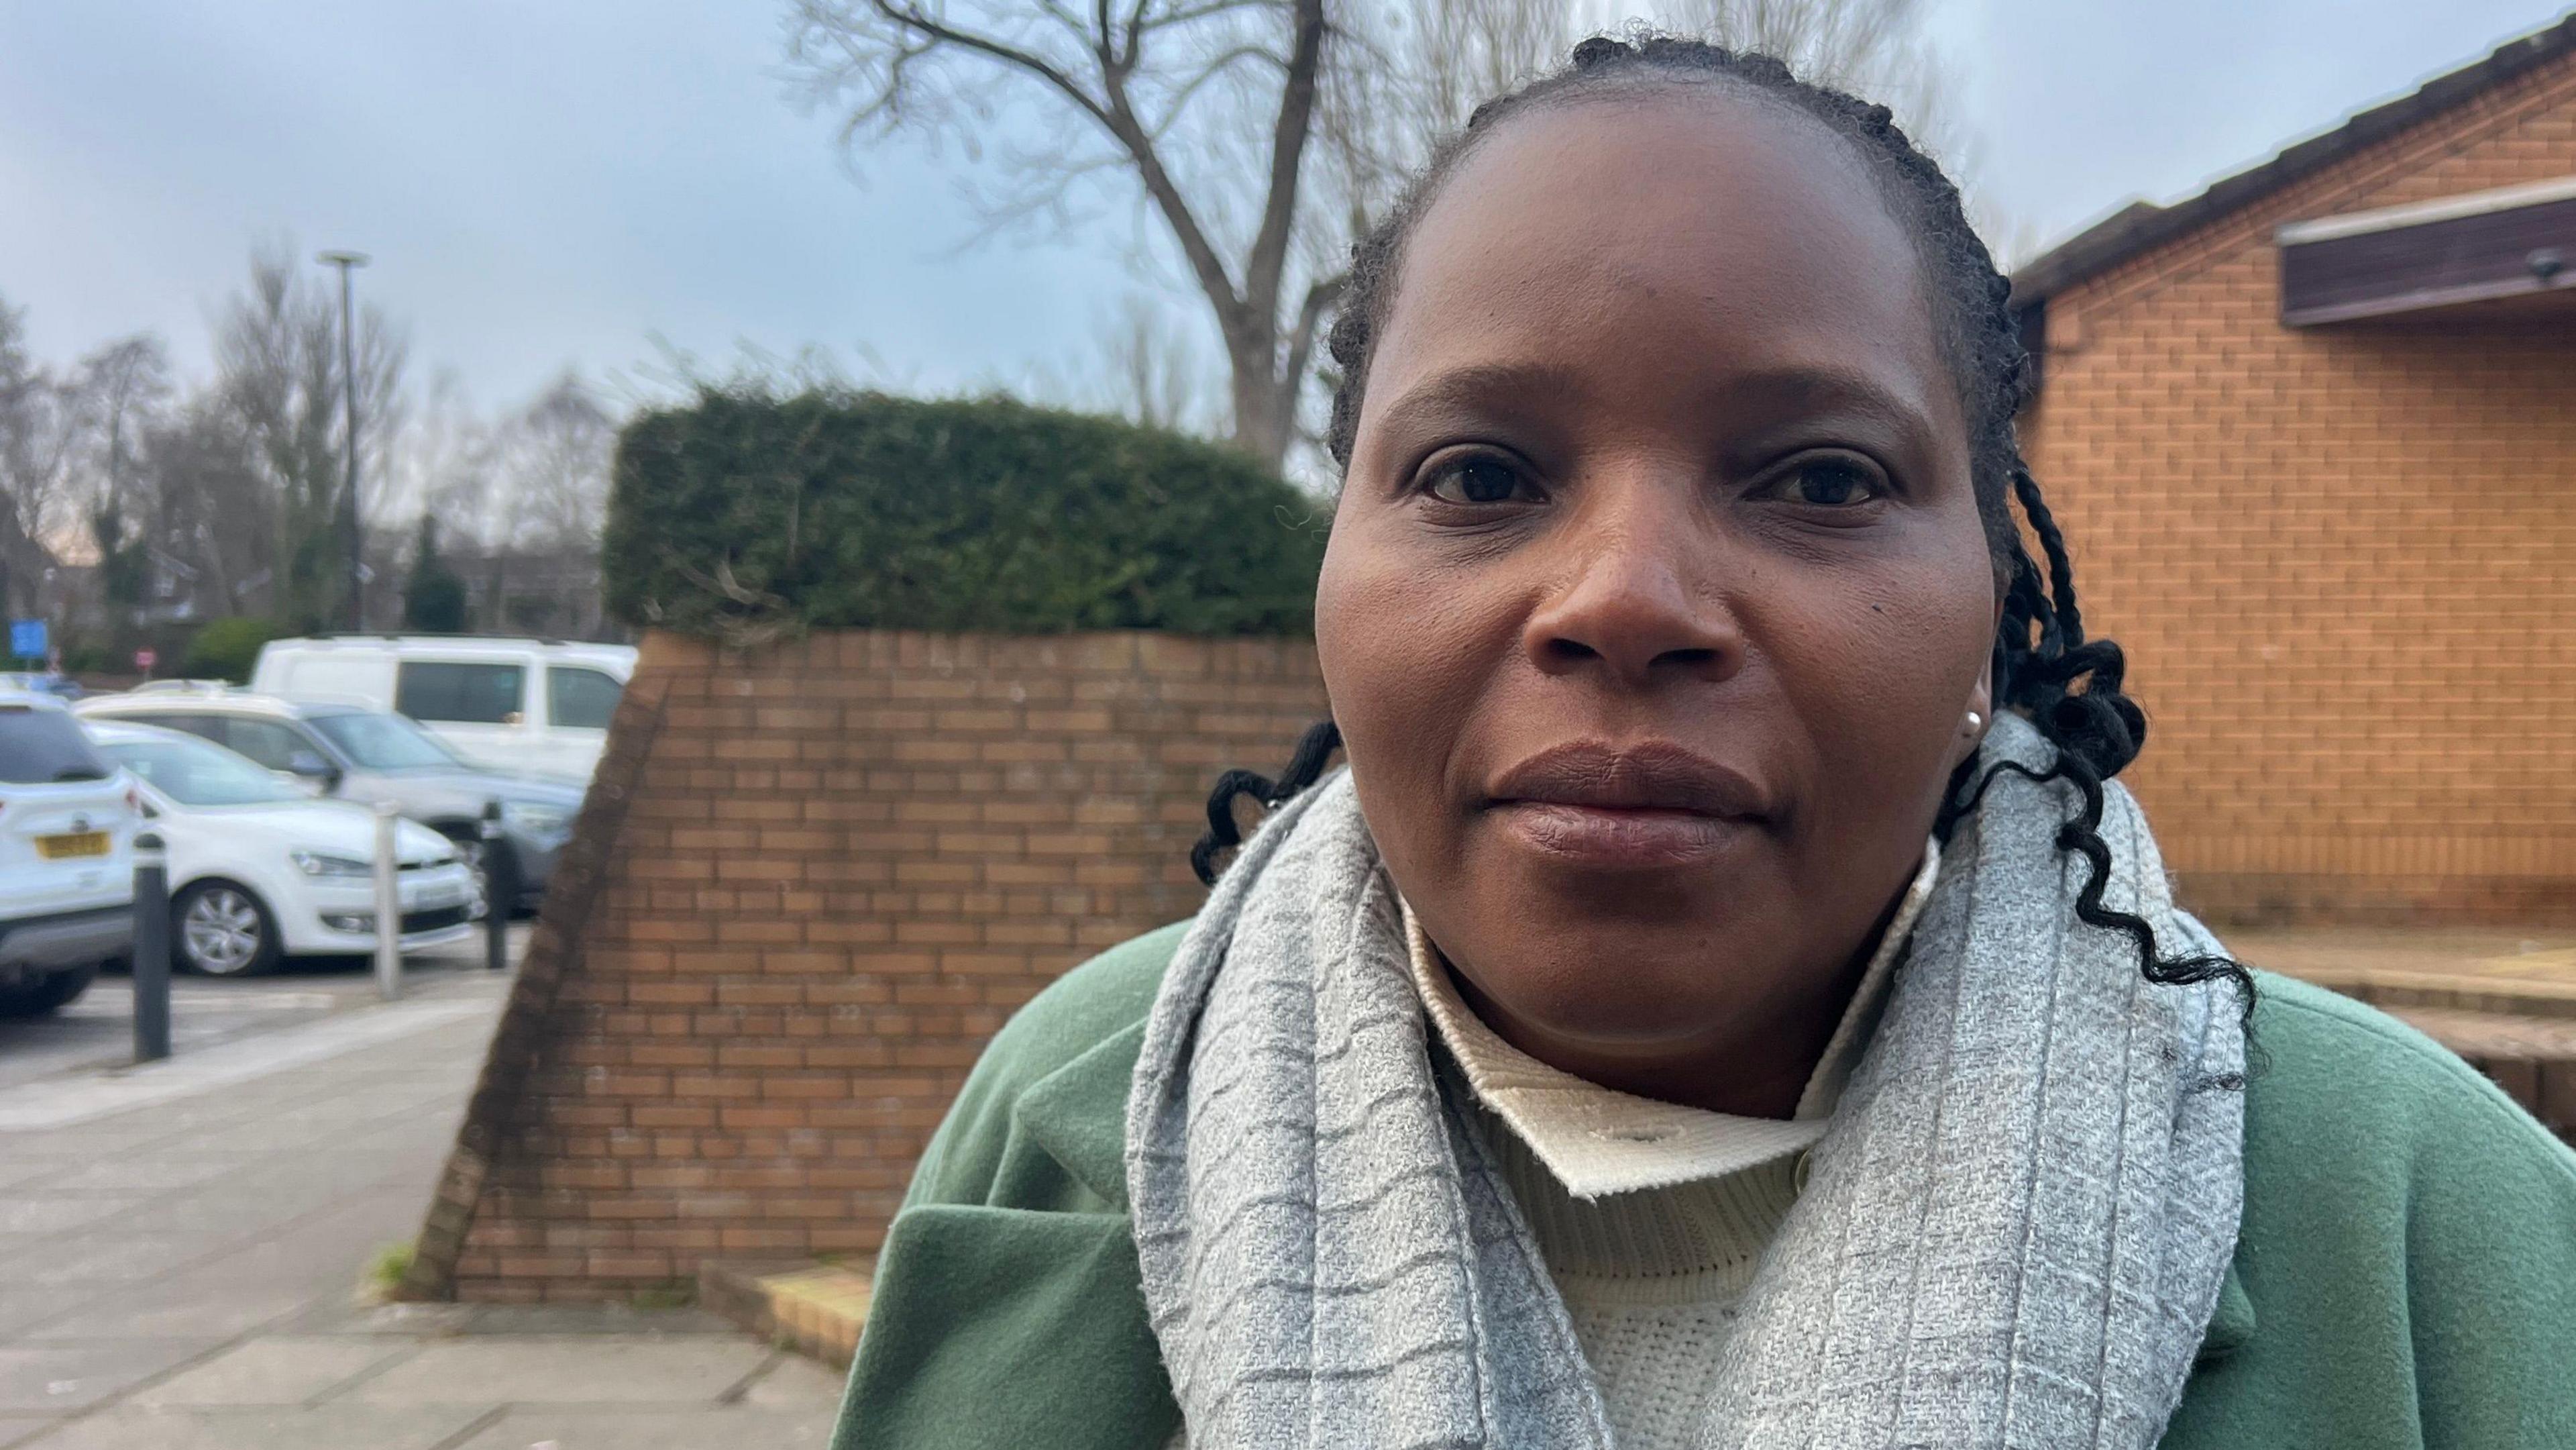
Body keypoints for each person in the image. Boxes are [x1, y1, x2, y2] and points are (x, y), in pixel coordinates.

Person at [832, 35, 2576, 1450]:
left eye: (1820, 478)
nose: (1627, 597)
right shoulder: (1073, 1111)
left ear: (1998, 602)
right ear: (1339, 563)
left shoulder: (2434, 1225)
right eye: (1479, 476)